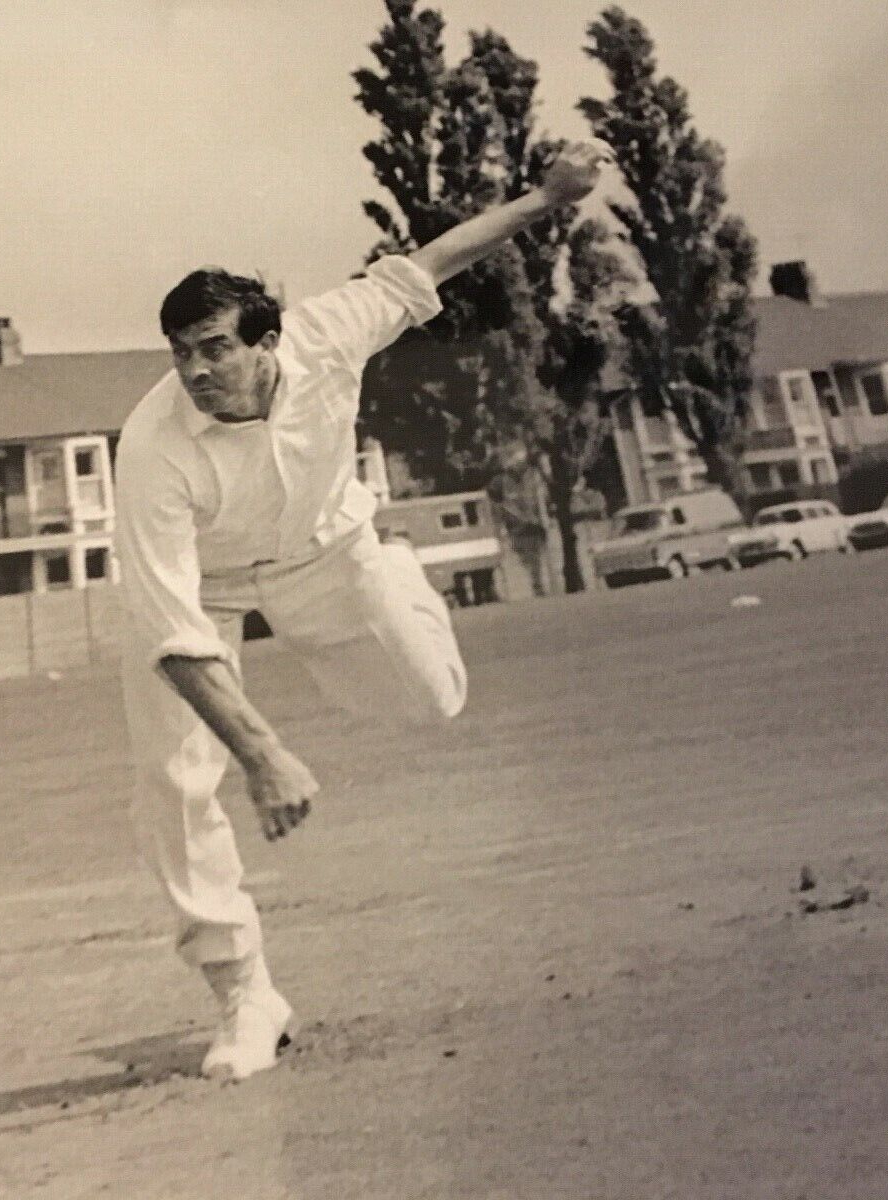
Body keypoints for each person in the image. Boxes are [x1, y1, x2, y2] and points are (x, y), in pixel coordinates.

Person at [114, 140, 606, 1082]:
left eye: (216, 347)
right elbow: (173, 635)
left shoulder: (329, 329)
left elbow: (437, 260)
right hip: (208, 594)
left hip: (327, 552)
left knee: (431, 700)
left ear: (267, 341)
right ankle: (244, 997)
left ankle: (398, 571)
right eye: (181, 354)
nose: (197, 370)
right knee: (173, 786)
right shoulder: (153, 445)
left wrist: (545, 195)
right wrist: (263, 755)